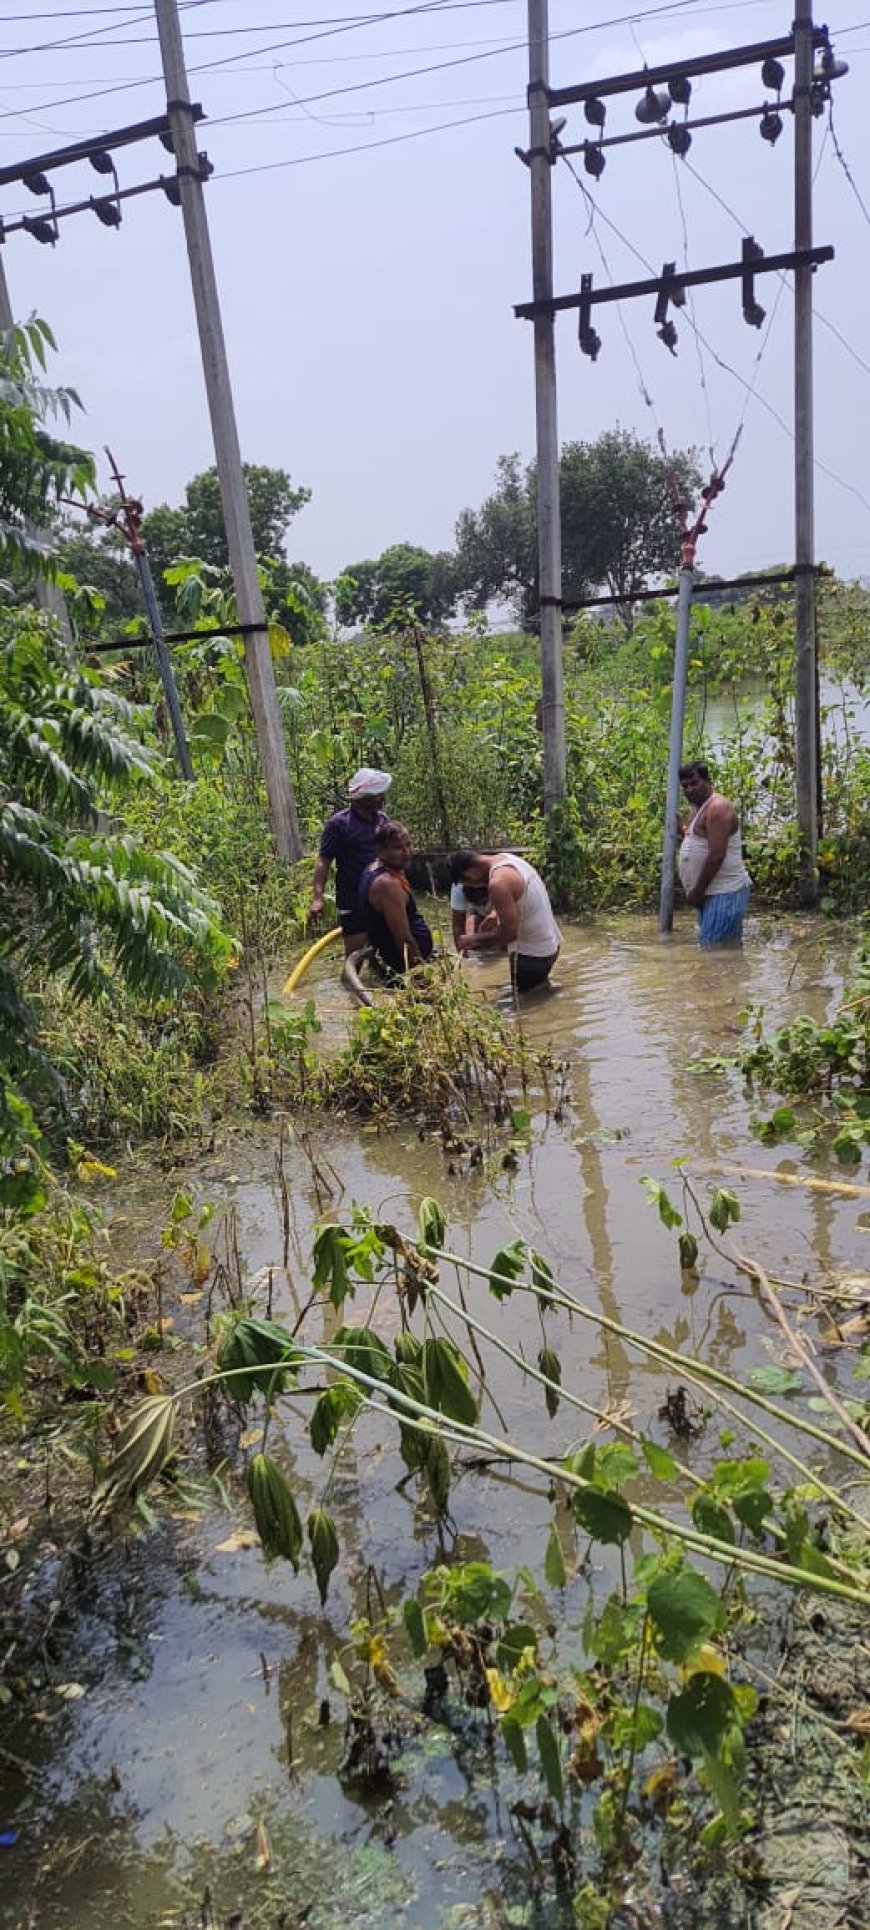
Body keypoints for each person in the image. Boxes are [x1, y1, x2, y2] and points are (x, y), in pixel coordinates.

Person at [450, 848, 561, 992]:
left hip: (532, 955)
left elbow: (510, 933)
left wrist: (472, 940)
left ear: (469, 874)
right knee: (537, 992)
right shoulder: (508, 858)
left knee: (523, 1007)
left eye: (467, 883)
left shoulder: (497, 883)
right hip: (551, 945)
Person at [309, 767, 392, 958]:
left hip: (379, 899)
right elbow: (324, 861)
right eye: (379, 795)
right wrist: (317, 898)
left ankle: (374, 987)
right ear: (366, 798)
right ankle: (350, 986)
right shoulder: (339, 824)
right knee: (355, 958)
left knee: (383, 955)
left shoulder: (383, 821)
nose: (383, 799)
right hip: (352, 899)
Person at [677, 760, 750, 947]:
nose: (690, 790)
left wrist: (697, 892)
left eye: (695, 783)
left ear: (707, 781)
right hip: (711, 894)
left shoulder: (718, 808)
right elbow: (698, 839)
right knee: (719, 954)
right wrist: (681, 830)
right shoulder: (697, 807)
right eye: (685, 786)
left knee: (713, 953)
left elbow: (717, 854)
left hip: (723, 893)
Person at [359, 820, 434, 980]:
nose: (407, 852)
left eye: (409, 845)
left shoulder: (377, 868)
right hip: (401, 969)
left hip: (395, 963)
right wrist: (422, 980)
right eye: (398, 848)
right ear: (380, 851)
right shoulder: (387, 884)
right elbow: (404, 940)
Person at [450, 878, 499, 951]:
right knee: (472, 943)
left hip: (502, 904)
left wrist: (496, 914)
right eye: (477, 903)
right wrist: (461, 949)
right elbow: (458, 925)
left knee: (504, 943)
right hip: (474, 911)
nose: (481, 906)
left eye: (483, 903)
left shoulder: (498, 884)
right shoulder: (458, 889)